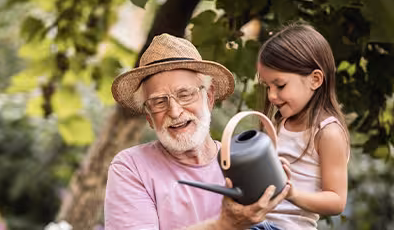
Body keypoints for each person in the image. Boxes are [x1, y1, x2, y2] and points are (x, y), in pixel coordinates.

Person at [105, 33, 290, 230]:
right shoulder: (132, 167)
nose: (175, 112)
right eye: (159, 102)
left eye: (185, 94)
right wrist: (224, 225)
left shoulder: (243, 165)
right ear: (149, 117)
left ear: (209, 98)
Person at [256, 23, 350, 230]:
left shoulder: (328, 132)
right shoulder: (279, 123)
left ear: (315, 80)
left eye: (280, 85)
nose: (271, 95)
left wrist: (292, 194)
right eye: (267, 86)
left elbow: (337, 200)